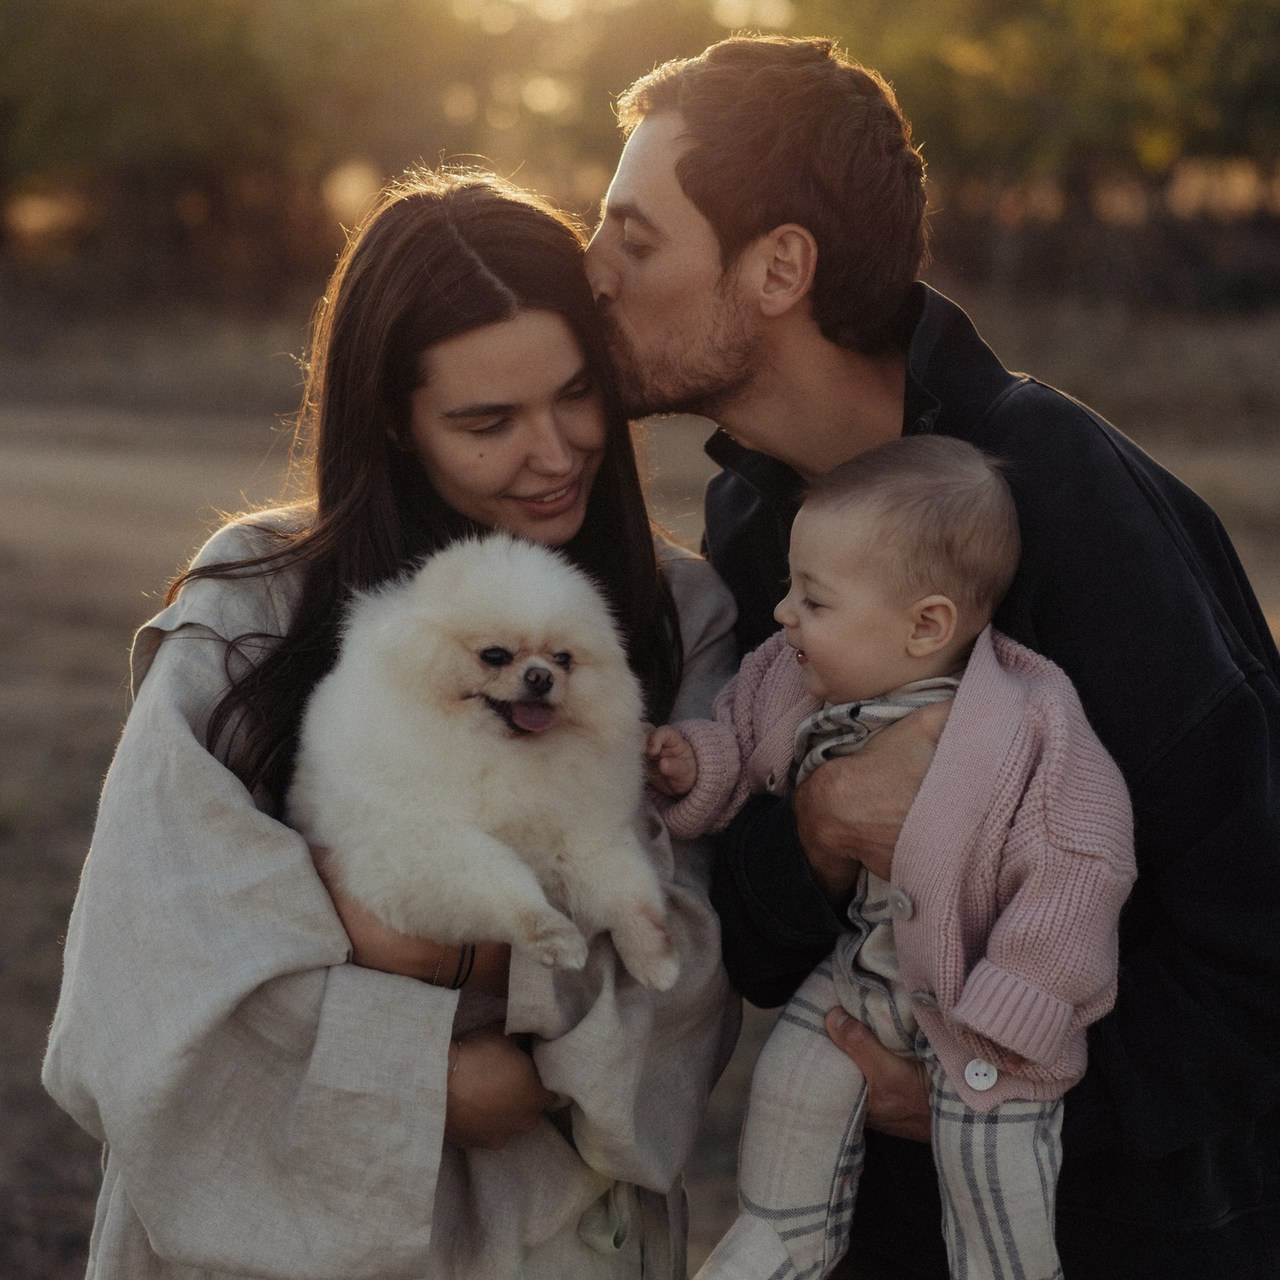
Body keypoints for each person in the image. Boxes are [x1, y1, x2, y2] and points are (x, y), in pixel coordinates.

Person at [585, 33, 1280, 1279]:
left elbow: (1256, 923)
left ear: (778, 267)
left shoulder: (1067, 502)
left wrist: (1002, 1090)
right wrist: (815, 821)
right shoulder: (754, 527)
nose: (591, 276)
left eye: (633, 242)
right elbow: (757, 943)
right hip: (886, 1231)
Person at [42, 168, 741, 1280]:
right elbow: (160, 933)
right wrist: (417, 1070)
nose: (554, 451)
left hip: (545, 1229)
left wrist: (439, 944)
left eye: (575, 394)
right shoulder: (254, 600)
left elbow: (688, 956)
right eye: (486, 421)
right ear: (393, 422)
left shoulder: (672, 620)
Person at [646, 436, 1134, 1279]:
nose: (782, 613)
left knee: (995, 1187)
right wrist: (698, 764)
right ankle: (780, 1240)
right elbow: (741, 745)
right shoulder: (789, 680)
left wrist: (1021, 999)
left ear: (926, 626)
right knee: (789, 1094)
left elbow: (1082, 866)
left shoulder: (1024, 722)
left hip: (987, 1022)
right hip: (859, 983)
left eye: (814, 599)